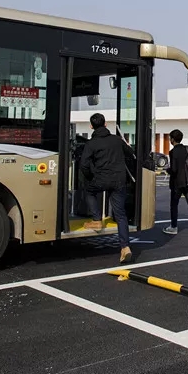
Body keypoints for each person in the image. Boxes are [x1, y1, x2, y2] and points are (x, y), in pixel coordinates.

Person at [80, 113, 135, 263]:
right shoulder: (117, 140)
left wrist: (91, 176)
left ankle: (97, 219)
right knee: (121, 214)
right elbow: (130, 153)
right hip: (119, 180)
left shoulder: (91, 144)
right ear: (105, 124)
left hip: (100, 179)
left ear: (91, 126)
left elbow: (84, 165)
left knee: (89, 191)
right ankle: (125, 247)